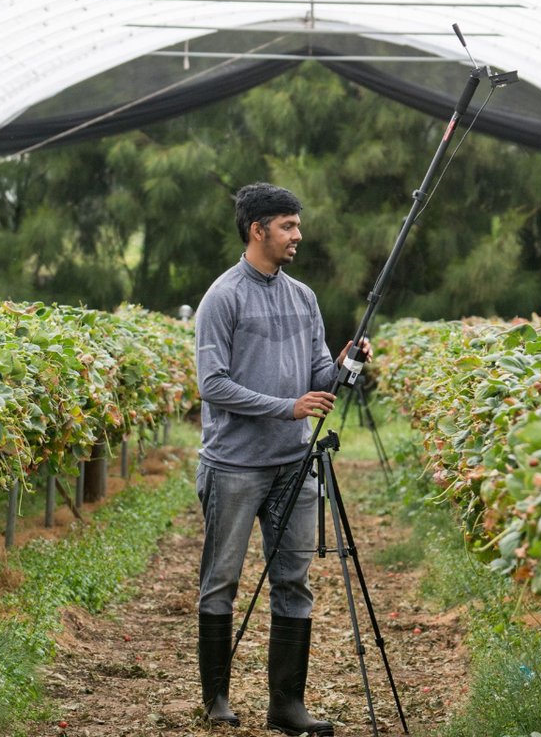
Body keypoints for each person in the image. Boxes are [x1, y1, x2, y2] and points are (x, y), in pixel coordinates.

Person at [193, 183, 368, 736]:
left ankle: (286, 706)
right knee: (221, 581)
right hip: (234, 465)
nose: (298, 234)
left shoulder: (304, 297)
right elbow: (212, 384)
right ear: (257, 230)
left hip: (295, 464)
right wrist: (286, 408)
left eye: (297, 224)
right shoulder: (223, 298)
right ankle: (216, 700)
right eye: (288, 225)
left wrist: (345, 363)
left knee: (294, 580)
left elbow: (319, 376)